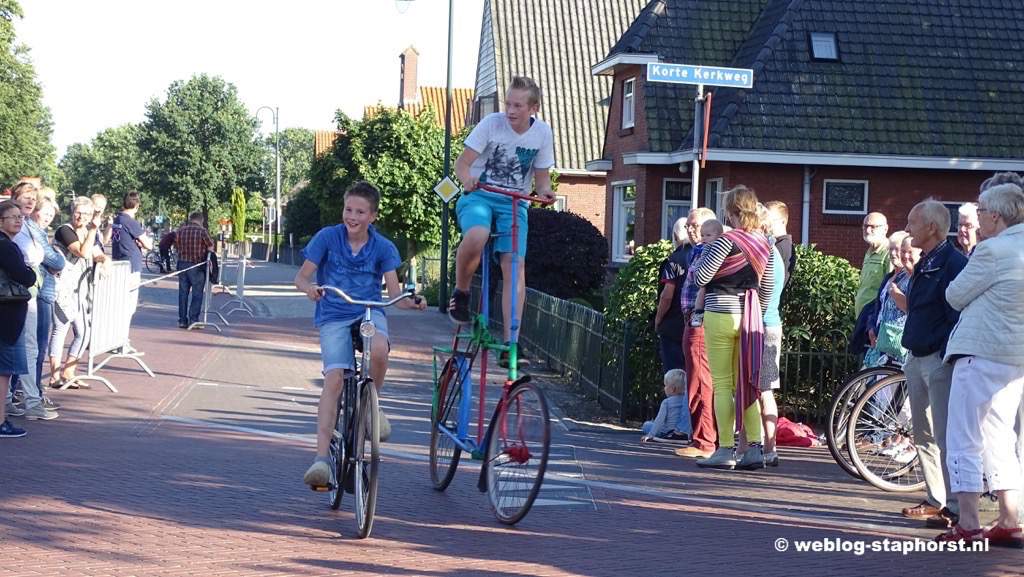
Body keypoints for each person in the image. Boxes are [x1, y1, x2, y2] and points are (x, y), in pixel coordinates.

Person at [295, 181, 427, 488]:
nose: (352, 216)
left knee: (380, 349)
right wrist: (310, 289)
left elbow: (394, 294)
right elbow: (301, 277)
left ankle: (372, 406)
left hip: (368, 312)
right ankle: (321, 460)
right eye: (348, 209)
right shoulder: (327, 238)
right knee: (335, 379)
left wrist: (413, 302)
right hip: (333, 315)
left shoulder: (383, 247)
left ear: (373, 216)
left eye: (360, 211)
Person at [447, 76, 556, 368]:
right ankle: (461, 292)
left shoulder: (543, 134)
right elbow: (462, 163)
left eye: (518, 105)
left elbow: (542, 180)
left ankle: (511, 342)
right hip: (480, 195)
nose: (510, 110)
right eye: (508, 103)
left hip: (513, 202)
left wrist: (546, 193)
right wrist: (466, 178)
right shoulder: (491, 125)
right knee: (478, 232)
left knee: (515, 265)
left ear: (533, 108)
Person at [937, 183, 1024, 546]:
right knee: (1002, 438)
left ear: (995, 216)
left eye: (982, 210)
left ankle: (969, 523)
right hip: (1015, 359)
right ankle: (1009, 519)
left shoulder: (991, 251)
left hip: (980, 353)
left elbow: (955, 295)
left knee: (964, 438)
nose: (977, 217)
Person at [693, 186, 775, 470]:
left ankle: (725, 449)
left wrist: (701, 259)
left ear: (730, 212)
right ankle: (754, 448)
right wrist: (756, 314)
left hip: (719, 313)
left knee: (723, 384)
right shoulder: (766, 244)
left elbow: (701, 277)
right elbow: (766, 287)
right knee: (748, 382)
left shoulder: (725, 241)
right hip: (750, 317)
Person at [899, 199, 968, 529]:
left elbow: (955, 313)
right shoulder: (926, 261)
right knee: (923, 433)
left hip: (937, 361)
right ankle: (936, 497)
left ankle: (953, 504)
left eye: (913, 222)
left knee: (944, 435)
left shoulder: (953, 263)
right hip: (916, 356)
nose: (908, 228)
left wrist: (944, 355)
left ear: (931, 227)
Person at [10, 185, 57, 421]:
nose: (30, 201)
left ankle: (18, 400)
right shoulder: (14, 225)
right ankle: (30, 402)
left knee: (24, 346)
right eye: (25, 198)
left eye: (33, 199)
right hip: (17, 289)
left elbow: (48, 257)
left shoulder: (28, 224)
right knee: (26, 346)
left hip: (27, 289)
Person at [674, 208, 719, 460]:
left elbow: (704, 283)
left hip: (699, 320)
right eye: (689, 226)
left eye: (697, 226)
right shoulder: (695, 252)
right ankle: (703, 437)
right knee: (698, 379)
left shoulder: (707, 251)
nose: (691, 230)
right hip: (691, 319)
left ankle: (704, 441)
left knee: (700, 381)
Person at [49, 197, 105, 387]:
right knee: (61, 329)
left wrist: (104, 262)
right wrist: (93, 230)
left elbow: (96, 252)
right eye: (78, 212)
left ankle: (68, 371)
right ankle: (54, 375)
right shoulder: (65, 230)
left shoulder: (87, 232)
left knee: (83, 332)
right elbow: (81, 251)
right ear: (72, 212)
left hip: (79, 290)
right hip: (62, 287)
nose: (81, 217)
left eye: (86, 214)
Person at [0, 199, 36, 437]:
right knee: (4, 371)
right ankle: (1, 421)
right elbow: (26, 276)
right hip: (6, 315)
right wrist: (30, 271)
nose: (18, 220)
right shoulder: (5, 246)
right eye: (12, 217)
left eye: (20, 217)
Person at [754, 204, 786, 469]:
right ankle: (770, 448)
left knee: (755, 390)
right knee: (766, 390)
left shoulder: (764, 252)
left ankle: (756, 445)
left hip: (761, 326)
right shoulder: (773, 250)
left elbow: (761, 292)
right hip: (772, 323)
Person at [25, 196, 64, 410]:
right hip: (40, 294)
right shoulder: (33, 230)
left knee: (38, 346)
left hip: (45, 292)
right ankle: (32, 394)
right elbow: (57, 261)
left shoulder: (39, 232)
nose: (48, 217)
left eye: (51, 213)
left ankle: (33, 392)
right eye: (45, 212)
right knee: (37, 348)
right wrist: (55, 260)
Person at [861, 231, 912, 369]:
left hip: (896, 343)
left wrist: (896, 293)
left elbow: (910, 308)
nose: (893, 253)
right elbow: (878, 307)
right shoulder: (888, 277)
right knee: (866, 384)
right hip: (879, 341)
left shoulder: (909, 278)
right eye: (890, 249)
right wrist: (871, 327)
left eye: (897, 249)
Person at [654, 217, 693, 375]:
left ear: (675, 237)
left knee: (674, 375)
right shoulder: (705, 255)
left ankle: (676, 400)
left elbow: (667, 296)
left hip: (673, 326)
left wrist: (658, 320)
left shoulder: (673, 260)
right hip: (696, 325)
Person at [111, 191, 152, 316]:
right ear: (137, 205)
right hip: (131, 265)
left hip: (118, 262)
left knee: (119, 300)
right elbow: (148, 245)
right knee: (129, 304)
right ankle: (123, 334)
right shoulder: (131, 222)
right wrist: (142, 243)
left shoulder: (117, 219)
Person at [172, 213, 214, 329]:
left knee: (183, 293)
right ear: (201, 220)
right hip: (197, 265)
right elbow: (210, 246)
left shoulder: (180, 231)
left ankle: (182, 320)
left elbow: (175, 246)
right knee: (197, 293)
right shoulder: (202, 231)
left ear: (190, 219)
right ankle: (193, 319)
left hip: (182, 264)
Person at [854, 212, 890, 319]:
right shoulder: (869, 252)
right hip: (862, 315)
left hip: (873, 317)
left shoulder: (889, 253)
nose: (868, 230)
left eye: (873, 227)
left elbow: (890, 290)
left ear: (885, 229)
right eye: (865, 226)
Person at [641, 369, 689, 443]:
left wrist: (651, 434)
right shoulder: (686, 401)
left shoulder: (666, 402)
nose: (664, 388)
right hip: (683, 431)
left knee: (646, 425)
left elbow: (660, 420)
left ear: (673, 389)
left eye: (666, 385)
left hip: (666, 432)